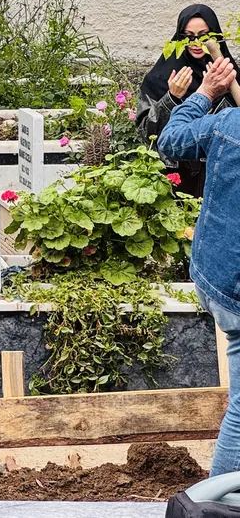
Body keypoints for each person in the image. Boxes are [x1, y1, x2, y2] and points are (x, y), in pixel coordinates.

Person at [158, 53, 240, 476]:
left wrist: (205, 94)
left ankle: (222, 504)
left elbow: (171, 140)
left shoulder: (228, 126)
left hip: (224, 280)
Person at [138, 3, 236, 198]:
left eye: (204, 36)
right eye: (189, 36)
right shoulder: (160, 77)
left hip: (221, 177)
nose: (196, 42)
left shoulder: (231, 76)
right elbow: (144, 131)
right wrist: (171, 98)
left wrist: (226, 89)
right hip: (174, 177)